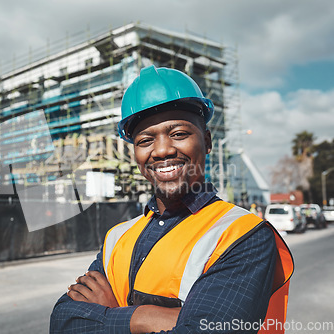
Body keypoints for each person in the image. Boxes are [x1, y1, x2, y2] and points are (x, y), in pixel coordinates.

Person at [50, 65, 293, 333]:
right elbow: (63, 321)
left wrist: (114, 314)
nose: (162, 150)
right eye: (145, 140)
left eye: (178, 134)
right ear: (135, 153)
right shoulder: (117, 239)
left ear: (207, 141)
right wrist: (146, 319)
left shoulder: (243, 235)